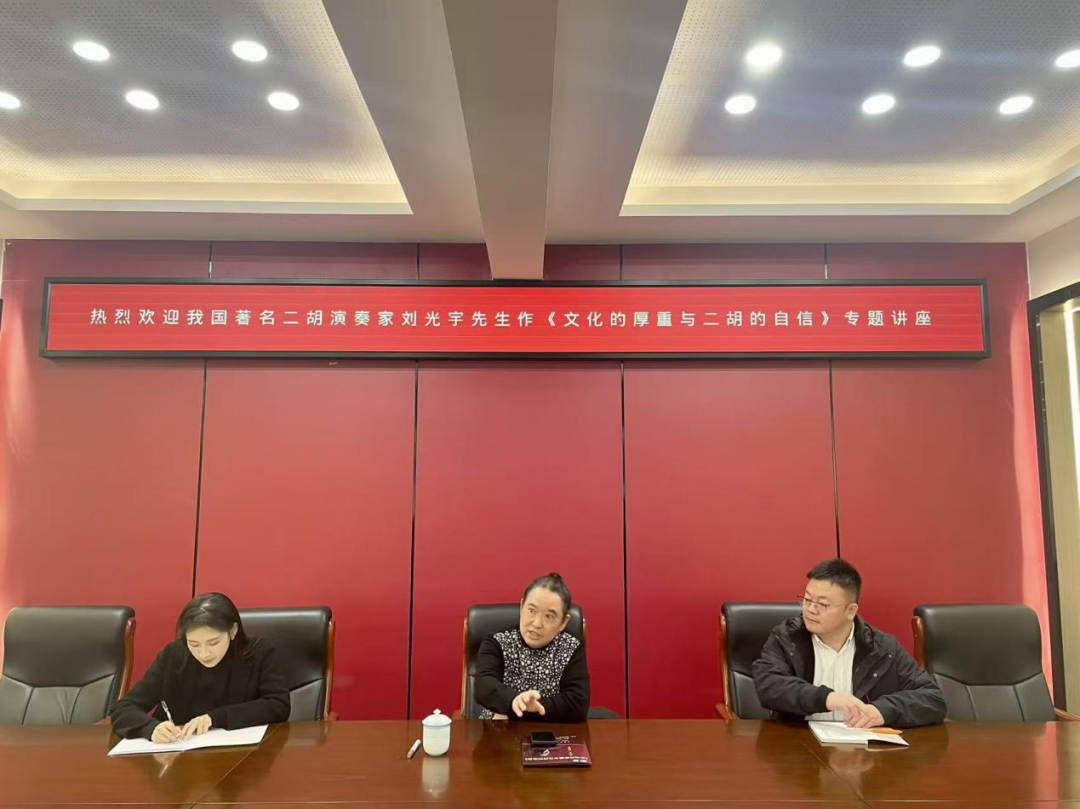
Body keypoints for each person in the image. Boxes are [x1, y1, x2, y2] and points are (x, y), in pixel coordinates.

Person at [752, 558, 946, 728]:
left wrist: (883, 710)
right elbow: (769, 685)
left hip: (863, 749)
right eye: (807, 600)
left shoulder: (882, 648)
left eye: (822, 604)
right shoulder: (787, 638)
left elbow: (932, 698)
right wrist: (827, 699)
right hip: (799, 745)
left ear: (850, 610)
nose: (810, 610)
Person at [109, 593, 290, 741]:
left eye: (213, 642)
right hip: (178, 761)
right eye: (194, 644)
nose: (204, 654)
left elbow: (278, 705)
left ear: (233, 631)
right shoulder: (173, 656)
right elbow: (123, 707)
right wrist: (150, 728)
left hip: (242, 759)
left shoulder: (258, 653)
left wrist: (215, 718)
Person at [475, 572, 590, 722]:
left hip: (552, 732)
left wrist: (530, 709)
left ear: (563, 622)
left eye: (549, 616)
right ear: (522, 606)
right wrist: (514, 700)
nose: (536, 623)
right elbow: (483, 686)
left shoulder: (571, 646)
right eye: (531, 611)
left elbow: (578, 704)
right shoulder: (497, 640)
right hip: (499, 728)